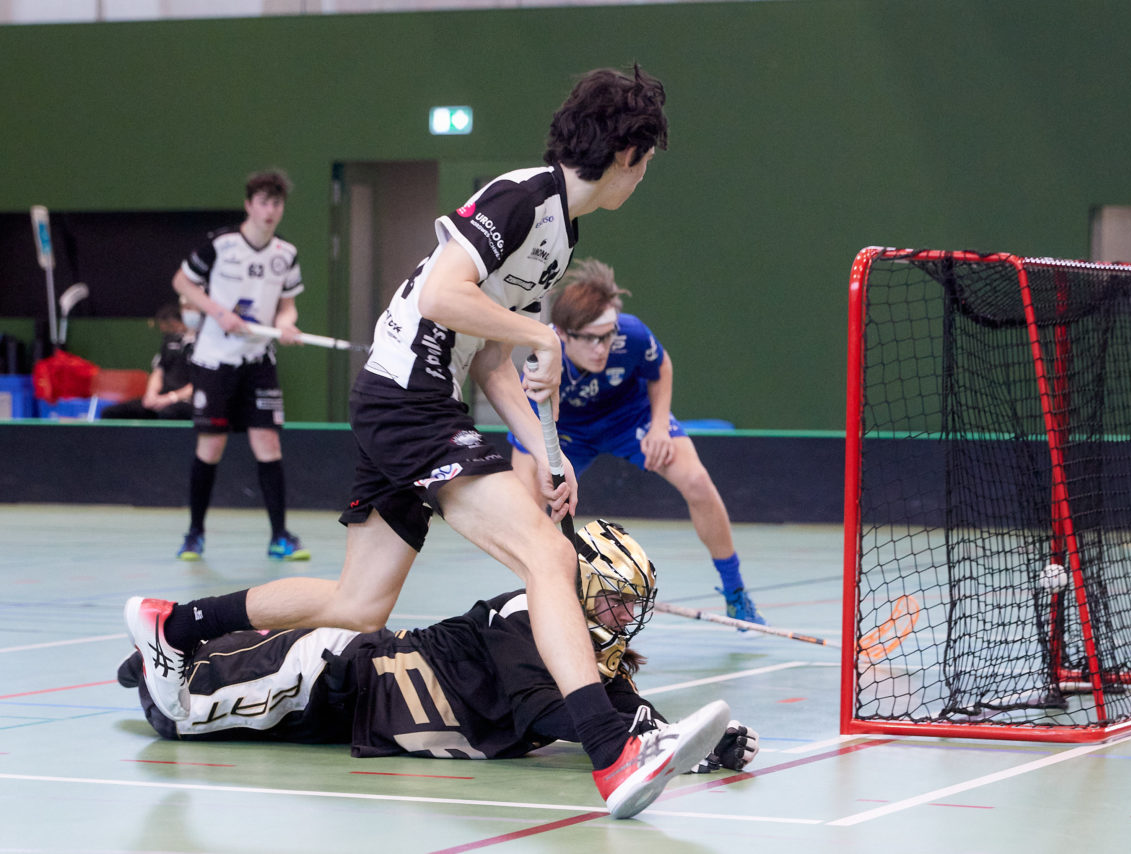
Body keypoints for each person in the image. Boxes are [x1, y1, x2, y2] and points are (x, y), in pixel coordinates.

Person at [123, 66, 732, 819]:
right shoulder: (521, 198)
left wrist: (546, 449)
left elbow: (491, 358)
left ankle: (174, 624)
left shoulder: (556, 233)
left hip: (409, 403)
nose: (643, 176)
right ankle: (614, 755)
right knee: (548, 557)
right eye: (646, 162)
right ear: (626, 155)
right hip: (410, 401)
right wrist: (543, 335)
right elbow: (445, 294)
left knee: (357, 605)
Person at [119, 520, 759, 776]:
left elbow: (628, 713)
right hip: (338, 674)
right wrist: (641, 730)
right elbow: (543, 711)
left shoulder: (591, 652)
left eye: (631, 603)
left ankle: (162, 656)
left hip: (352, 714)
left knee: (212, 687)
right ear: (581, 586)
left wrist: (702, 744)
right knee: (176, 715)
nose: (624, 616)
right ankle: (156, 645)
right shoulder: (525, 613)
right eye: (615, 598)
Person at [508, 258, 765, 627]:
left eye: (607, 335)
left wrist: (659, 426)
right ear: (563, 333)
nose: (602, 347)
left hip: (630, 417)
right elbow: (527, 428)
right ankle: (545, 599)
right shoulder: (542, 360)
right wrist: (545, 473)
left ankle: (735, 592)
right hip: (565, 430)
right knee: (526, 505)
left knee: (697, 481)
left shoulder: (631, 334)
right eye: (591, 338)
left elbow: (661, 367)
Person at [169, 169, 309, 562]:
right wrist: (217, 312)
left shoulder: (286, 254)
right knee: (211, 445)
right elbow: (181, 282)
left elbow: (287, 305)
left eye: (276, 203)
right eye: (263, 202)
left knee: (268, 442)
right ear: (249, 205)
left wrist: (286, 325)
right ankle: (194, 534)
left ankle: (280, 536)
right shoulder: (221, 244)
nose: (270, 210)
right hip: (216, 360)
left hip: (259, 360)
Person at [99, 302, 195, 421]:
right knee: (111, 413)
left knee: (168, 414)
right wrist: (151, 394)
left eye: (191, 308)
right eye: (185, 308)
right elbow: (158, 371)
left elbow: (200, 384)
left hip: (186, 401)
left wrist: (171, 398)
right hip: (161, 398)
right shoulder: (170, 340)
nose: (187, 312)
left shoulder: (204, 344)